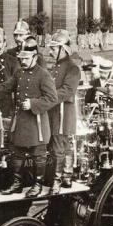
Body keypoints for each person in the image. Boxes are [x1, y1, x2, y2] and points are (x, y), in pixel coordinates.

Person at [0, 37, 58, 197]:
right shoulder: (19, 73)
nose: (22, 62)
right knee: (16, 152)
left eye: (26, 59)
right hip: (21, 120)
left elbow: (52, 98)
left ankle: (38, 185)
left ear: (35, 57)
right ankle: (16, 183)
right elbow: (6, 87)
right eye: (21, 59)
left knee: (39, 155)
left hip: (37, 123)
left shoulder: (44, 75)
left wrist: (34, 103)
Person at [44, 30, 80, 194]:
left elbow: (67, 91)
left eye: (53, 48)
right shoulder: (55, 67)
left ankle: (60, 180)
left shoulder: (72, 68)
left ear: (63, 49)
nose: (50, 52)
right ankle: (65, 176)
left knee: (60, 145)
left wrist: (47, 98)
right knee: (57, 145)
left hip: (63, 112)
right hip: (53, 111)